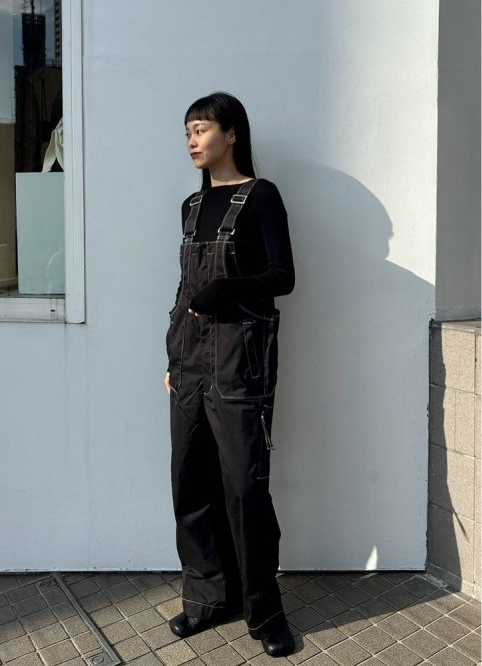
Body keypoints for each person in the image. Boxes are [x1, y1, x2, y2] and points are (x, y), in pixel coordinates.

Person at [164, 91, 296, 658]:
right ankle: (208, 598)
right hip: (189, 362)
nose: (192, 140)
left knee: (245, 487)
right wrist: (172, 360)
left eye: (201, 129)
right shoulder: (192, 207)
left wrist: (227, 288)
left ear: (232, 133)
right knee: (190, 484)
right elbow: (183, 290)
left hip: (240, 361)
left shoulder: (261, 196)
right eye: (187, 132)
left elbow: (283, 277)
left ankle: (264, 610)